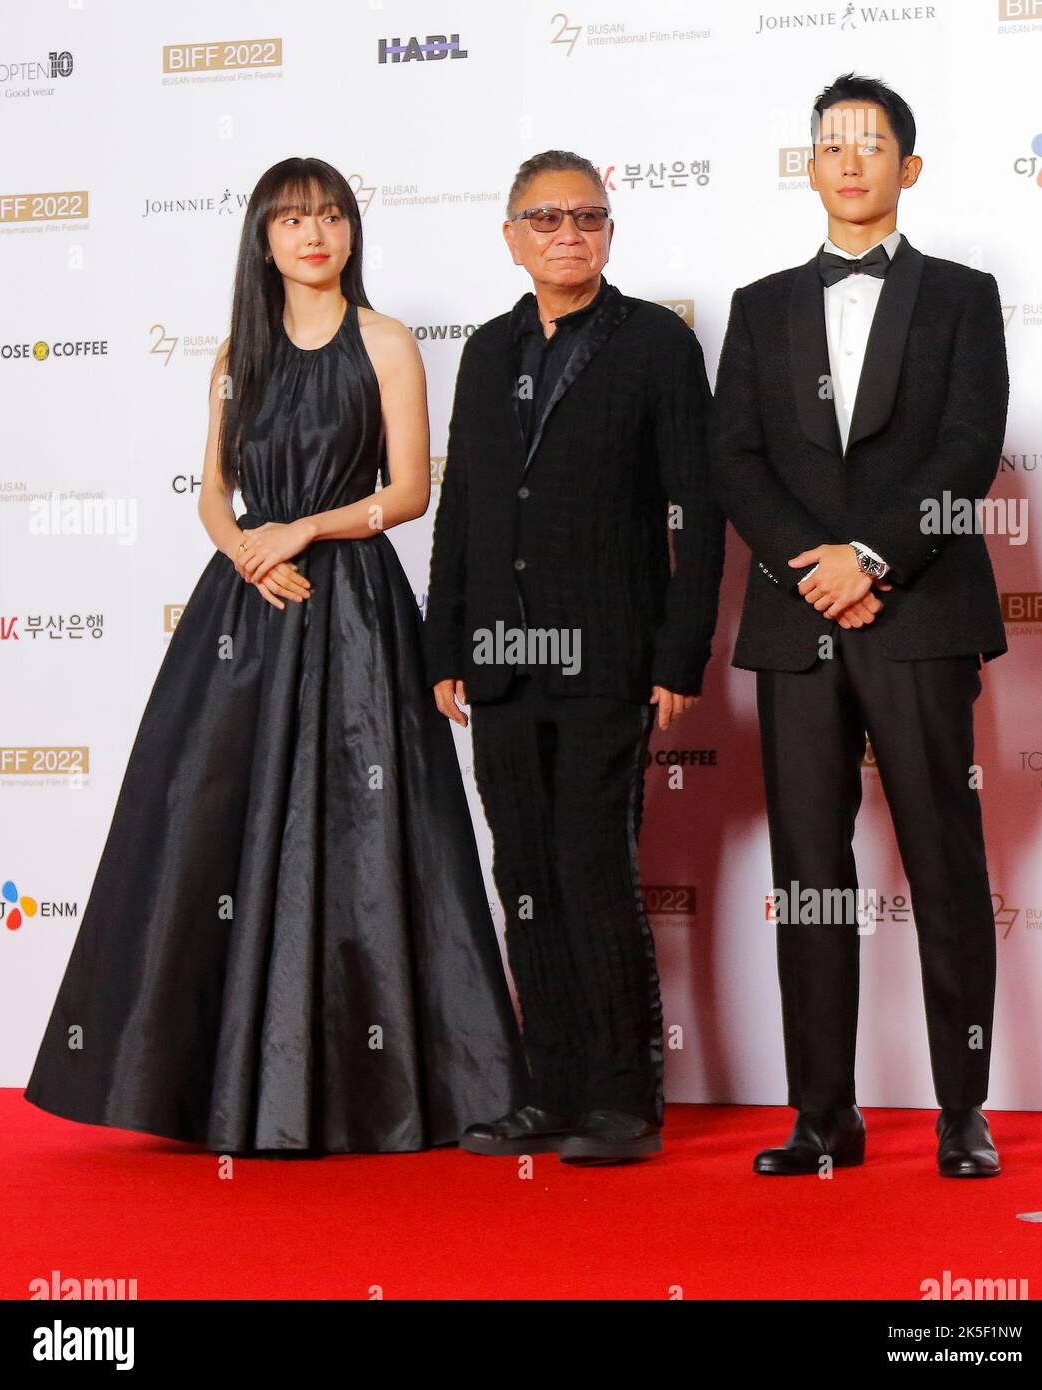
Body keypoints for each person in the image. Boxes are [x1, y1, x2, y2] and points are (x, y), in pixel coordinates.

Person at [23, 156, 527, 1155]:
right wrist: (245, 546)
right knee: (209, 825)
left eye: (332, 216)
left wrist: (302, 531)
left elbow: (412, 491)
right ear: (262, 237)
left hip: (353, 607)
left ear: (351, 233)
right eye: (295, 219)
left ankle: (388, 1085)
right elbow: (213, 490)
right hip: (246, 606)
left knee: (372, 831)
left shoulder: (384, 341)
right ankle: (214, 1085)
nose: (316, 234)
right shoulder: (234, 353)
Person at [710, 75, 1009, 1178]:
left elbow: (967, 449)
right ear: (810, 165)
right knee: (812, 872)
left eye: (871, 145)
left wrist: (872, 558)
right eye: (830, 144)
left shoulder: (965, 296)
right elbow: (733, 458)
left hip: (920, 613)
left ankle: (962, 1111)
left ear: (907, 168)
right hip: (797, 626)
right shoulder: (757, 306)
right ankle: (821, 1114)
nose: (849, 161)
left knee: (944, 858)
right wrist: (814, 567)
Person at [423, 149, 725, 1165]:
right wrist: (445, 642)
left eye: (587, 218)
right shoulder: (483, 349)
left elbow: (698, 509)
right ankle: (548, 1087)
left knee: (594, 868)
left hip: (608, 657)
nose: (568, 234)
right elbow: (463, 505)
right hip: (500, 656)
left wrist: (680, 656)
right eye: (546, 219)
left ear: (609, 232)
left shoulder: (656, 346)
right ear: (511, 236)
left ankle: (625, 1097)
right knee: (524, 872)